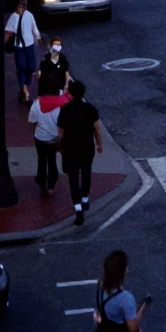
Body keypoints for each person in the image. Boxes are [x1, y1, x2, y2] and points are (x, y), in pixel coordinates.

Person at [57, 79, 102, 224]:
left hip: (70, 150)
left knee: (73, 180)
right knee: (86, 173)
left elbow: (61, 133)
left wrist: (58, 146)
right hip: (87, 148)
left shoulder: (65, 110)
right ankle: (85, 199)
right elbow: (97, 129)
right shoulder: (90, 109)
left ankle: (78, 209)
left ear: (70, 94)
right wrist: (99, 144)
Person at [28, 73, 69, 198]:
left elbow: (32, 123)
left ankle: (42, 189)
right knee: (52, 162)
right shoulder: (61, 105)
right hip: (55, 139)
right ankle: (51, 187)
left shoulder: (36, 105)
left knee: (41, 162)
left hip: (40, 138)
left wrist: (33, 134)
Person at [4, 0, 42, 104]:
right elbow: (9, 32)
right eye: (21, 6)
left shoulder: (29, 15)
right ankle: (24, 90)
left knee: (31, 68)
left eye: (24, 6)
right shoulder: (13, 17)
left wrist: (38, 37)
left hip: (29, 46)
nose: (23, 8)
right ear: (16, 6)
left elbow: (34, 27)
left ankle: (23, 88)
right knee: (21, 69)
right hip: (19, 47)